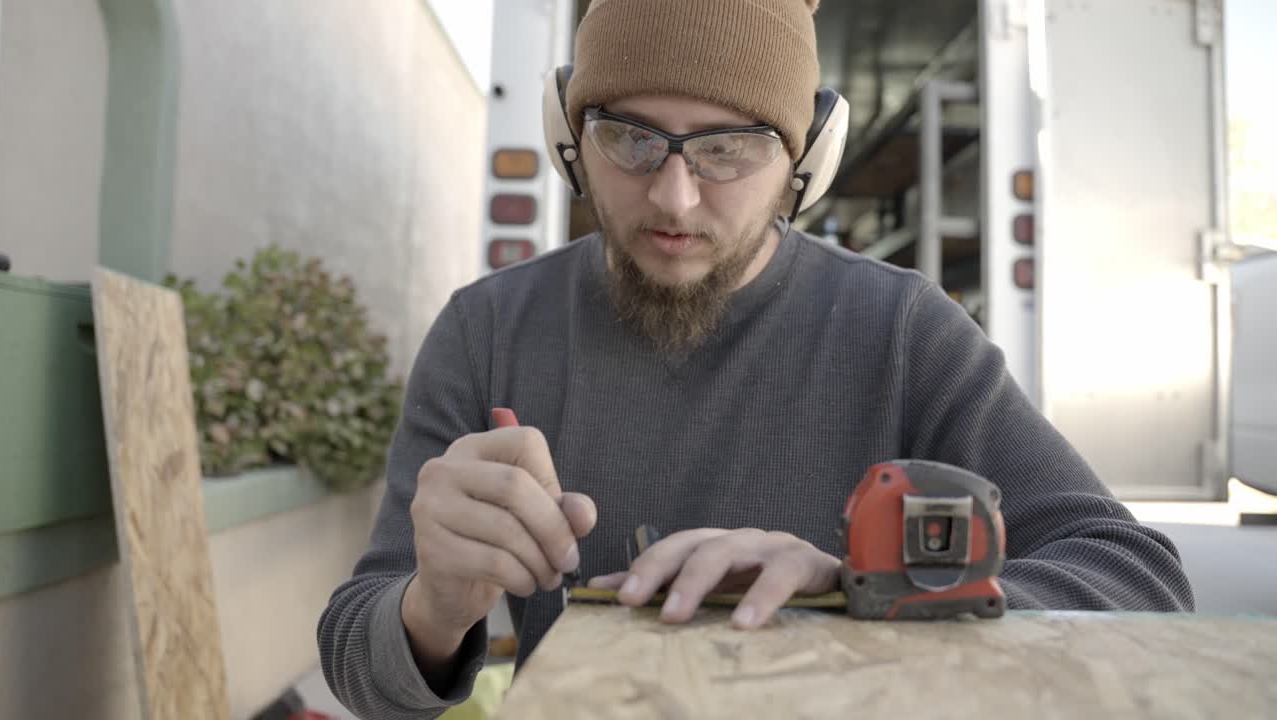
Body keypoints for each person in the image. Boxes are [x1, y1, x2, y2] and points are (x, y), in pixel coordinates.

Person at [318, 0, 1194, 717]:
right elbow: (362, 661)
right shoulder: (488, 331)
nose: (674, 195)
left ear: (803, 162)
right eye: (628, 136)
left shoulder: (901, 331)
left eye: (729, 147)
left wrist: (870, 586)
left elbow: (1135, 574)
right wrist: (432, 608)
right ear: (568, 137)